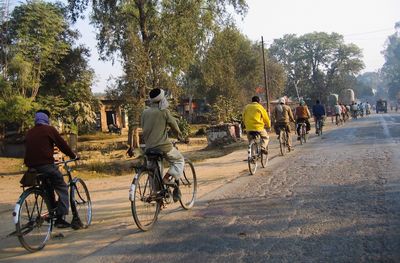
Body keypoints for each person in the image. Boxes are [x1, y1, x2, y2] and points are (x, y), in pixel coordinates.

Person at [24, 110, 78, 228]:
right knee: (62, 187)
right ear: (46, 119)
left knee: (48, 188)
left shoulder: (30, 132)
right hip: (46, 166)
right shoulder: (49, 130)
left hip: (32, 169)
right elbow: (62, 145)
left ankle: (52, 211)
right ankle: (60, 218)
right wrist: (73, 156)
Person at [141, 88, 184, 202]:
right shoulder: (164, 112)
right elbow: (174, 126)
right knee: (179, 160)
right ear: (162, 99)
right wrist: (180, 136)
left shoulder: (145, 112)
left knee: (154, 171)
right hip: (163, 146)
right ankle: (166, 179)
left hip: (149, 148)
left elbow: (144, 128)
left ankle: (157, 195)